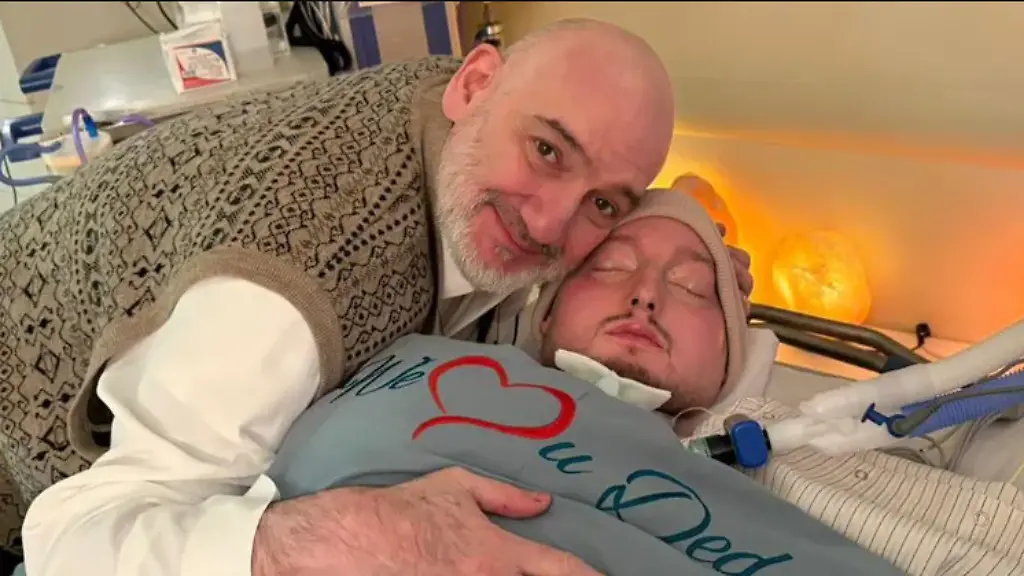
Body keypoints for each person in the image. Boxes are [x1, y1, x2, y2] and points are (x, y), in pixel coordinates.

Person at [7, 18, 753, 575]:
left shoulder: (480, 117)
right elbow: (71, 540)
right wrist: (312, 543)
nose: (551, 224)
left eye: (604, 205)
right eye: (548, 151)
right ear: (474, 86)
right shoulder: (282, 297)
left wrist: (687, 255)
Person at [153, 190, 896, 576]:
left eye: (693, 287)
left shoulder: (748, 477)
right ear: (544, 311)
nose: (644, 295)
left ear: (729, 362)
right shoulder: (415, 351)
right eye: (608, 266)